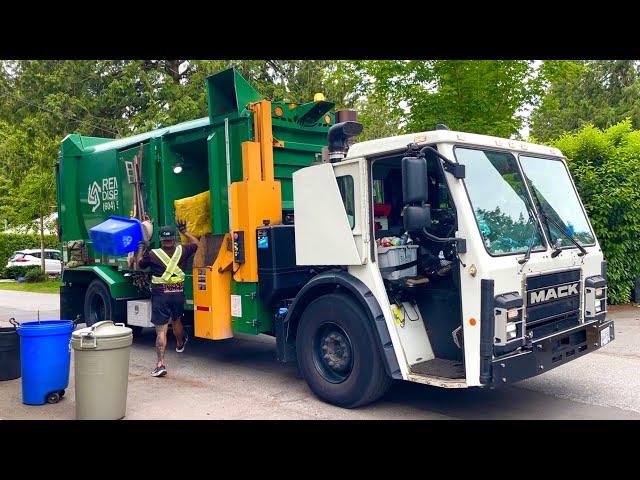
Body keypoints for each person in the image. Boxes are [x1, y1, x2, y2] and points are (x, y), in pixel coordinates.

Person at [137, 220, 200, 377]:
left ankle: (160, 365)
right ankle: (180, 343)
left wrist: (141, 248)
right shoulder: (183, 250)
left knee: (161, 330)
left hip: (160, 297)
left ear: (161, 239)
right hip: (178, 295)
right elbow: (198, 243)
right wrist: (185, 232)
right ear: (174, 238)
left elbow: (139, 264)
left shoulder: (153, 255)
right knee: (176, 320)